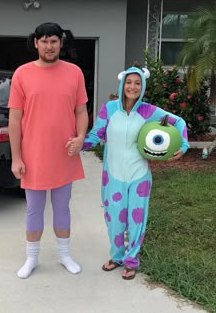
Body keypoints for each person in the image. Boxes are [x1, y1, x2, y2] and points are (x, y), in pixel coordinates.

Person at [66, 63, 189, 280]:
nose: (132, 87)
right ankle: (117, 256)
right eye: (129, 82)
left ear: (142, 87)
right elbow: (96, 135)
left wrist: (183, 146)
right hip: (112, 175)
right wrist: (80, 144)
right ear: (122, 84)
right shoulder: (109, 109)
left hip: (139, 175)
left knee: (136, 220)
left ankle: (131, 261)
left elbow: (178, 122)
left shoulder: (149, 111)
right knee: (114, 219)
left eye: (137, 83)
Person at [8, 22, 88, 279]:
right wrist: (16, 158)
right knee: (34, 208)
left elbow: (81, 111)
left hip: (65, 154)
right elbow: (14, 120)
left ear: (61, 43)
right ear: (35, 43)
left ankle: (64, 254)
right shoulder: (22, 73)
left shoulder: (74, 72)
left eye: (54, 41)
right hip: (33, 155)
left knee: (62, 207)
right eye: (44, 41)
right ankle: (32, 258)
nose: (49, 45)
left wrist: (80, 137)